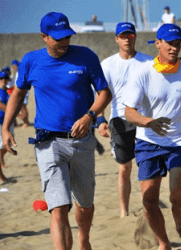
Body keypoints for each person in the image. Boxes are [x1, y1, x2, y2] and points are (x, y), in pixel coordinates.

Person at [1, 12, 112, 249]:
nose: (64, 42)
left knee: (84, 204)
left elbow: (105, 93)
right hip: (48, 142)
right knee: (58, 207)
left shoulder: (86, 57)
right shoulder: (31, 61)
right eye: (57, 38)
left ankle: (84, 240)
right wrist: (5, 127)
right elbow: (18, 94)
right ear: (44, 36)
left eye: (67, 37)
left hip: (82, 141)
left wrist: (90, 116)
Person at [123, 23, 181, 250]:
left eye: (178, 43)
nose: (174, 48)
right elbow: (129, 111)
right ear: (158, 43)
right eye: (170, 43)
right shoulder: (143, 73)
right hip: (148, 142)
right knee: (149, 200)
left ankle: (177, 209)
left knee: (177, 193)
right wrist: (148, 122)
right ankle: (164, 243)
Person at [99, 22, 153, 218]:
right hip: (119, 120)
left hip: (143, 118)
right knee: (124, 168)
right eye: (123, 36)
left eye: (130, 36)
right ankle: (124, 211)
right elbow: (100, 95)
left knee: (146, 165)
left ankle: (148, 208)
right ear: (116, 39)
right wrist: (100, 120)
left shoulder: (148, 62)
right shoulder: (107, 64)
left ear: (135, 37)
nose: (127, 39)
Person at [8, 60, 30, 128]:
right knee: (21, 107)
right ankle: (25, 121)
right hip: (21, 91)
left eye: (14, 66)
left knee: (23, 108)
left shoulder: (21, 72)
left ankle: (26, 122)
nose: (13, 68)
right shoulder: (18, 72)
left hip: (23, 92)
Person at [0, 71, 13, 183]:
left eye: (5, 78)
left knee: (6, 145)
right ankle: (2, 176)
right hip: (0, 122)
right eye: (1, 78)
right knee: (2, 146)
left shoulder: (7, 92)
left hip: (6, 122)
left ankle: (1, 159)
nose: (3, 80)